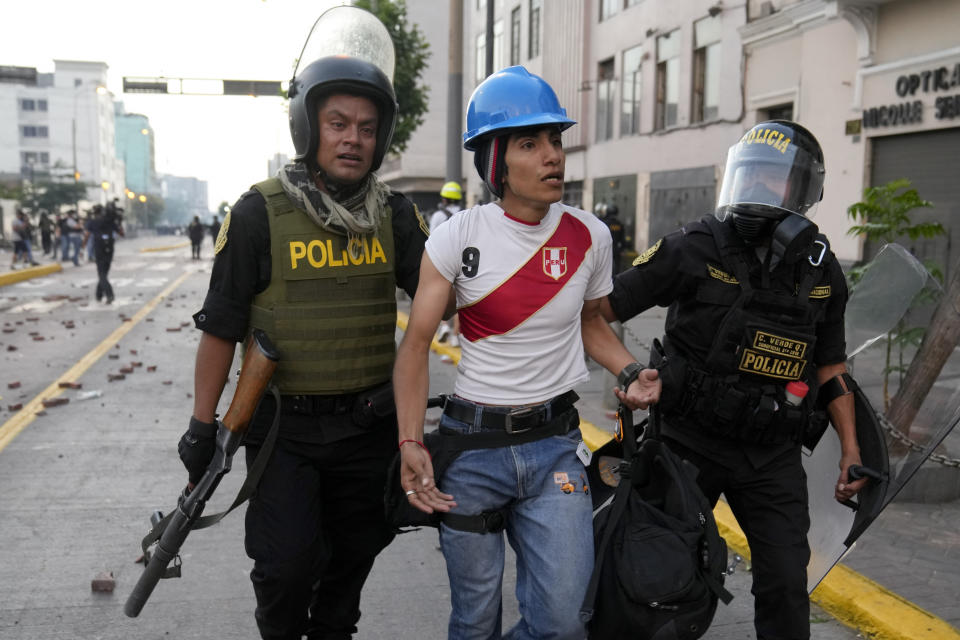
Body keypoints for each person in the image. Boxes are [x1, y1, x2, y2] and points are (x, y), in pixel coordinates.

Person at [176, 9, 429, 638]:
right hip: (283, 434)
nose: (352, 139)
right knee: (286, 570)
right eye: (337, 124)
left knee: (349, 570)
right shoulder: (259, 214)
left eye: (366, 128)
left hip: (368, 430)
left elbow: (441, 300)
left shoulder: (397, 216)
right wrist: (201, 427)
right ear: (307, 127)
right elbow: (221, 327)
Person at [393, 65, 660, 640]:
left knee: (564, 623)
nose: (552, 156)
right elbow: (415, 347)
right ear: (495, 160)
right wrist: (411, 440)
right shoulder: (456, 236)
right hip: (472, 452)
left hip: (555, 451)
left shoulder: (590, 235)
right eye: (530, 143)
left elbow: (591, 322)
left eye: (556, 141)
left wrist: (631, 369)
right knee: (475, 621)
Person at [601, 120, 865, 640]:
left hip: (771, 455)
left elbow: (832, 370)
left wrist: (852, 449)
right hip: (686, 444)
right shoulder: (693, 245)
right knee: (654, 572)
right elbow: (603, 308)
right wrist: (629, 372)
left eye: (776, 179)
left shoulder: (822, 272)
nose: (760, 190)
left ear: (804, 190)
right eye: (753, 176)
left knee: (788, 584)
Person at [428, 181, 463, 348]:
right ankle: (456, 335)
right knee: (460, 298)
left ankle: (443, 327)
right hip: (461, 259)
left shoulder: (437, 216)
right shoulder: (465, 214)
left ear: (444, 199)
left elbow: (431, 238)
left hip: (443, 259)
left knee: (442, 294)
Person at [83, 202, 124, 303]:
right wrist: (119, 223)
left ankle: (109, 294)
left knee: (102, 273)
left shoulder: (93, 222)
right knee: (104, 273)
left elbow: (87, 235)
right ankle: (99, 294)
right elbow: (122, 233)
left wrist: (82, 246)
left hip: (99, 249)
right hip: (109, 248)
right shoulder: (110, 221)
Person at [599, 203, 626, 277]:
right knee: (617, 268)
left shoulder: (604, 223)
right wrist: (622, 250)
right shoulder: (619, 224)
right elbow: (622, 239)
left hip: (606, 249)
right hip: (616, 250)